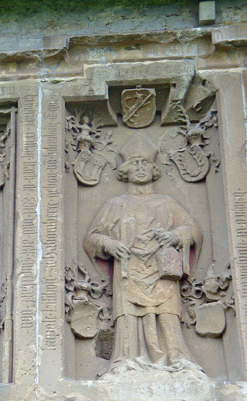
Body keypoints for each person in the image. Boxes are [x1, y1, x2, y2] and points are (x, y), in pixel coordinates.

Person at [84, 134, 204, 376]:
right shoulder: (115, 204)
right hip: (128, 268)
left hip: (161, 269)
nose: (140, 168)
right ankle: (126, 361)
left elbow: (193, 232)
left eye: (145, 163)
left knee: (167, 314)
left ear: (153, 169)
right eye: (135, 163)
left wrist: (173, 236)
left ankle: (176, 359)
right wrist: (110, 244)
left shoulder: (167, 203)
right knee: (128, 316)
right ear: (126, 170)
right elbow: (92, 238)